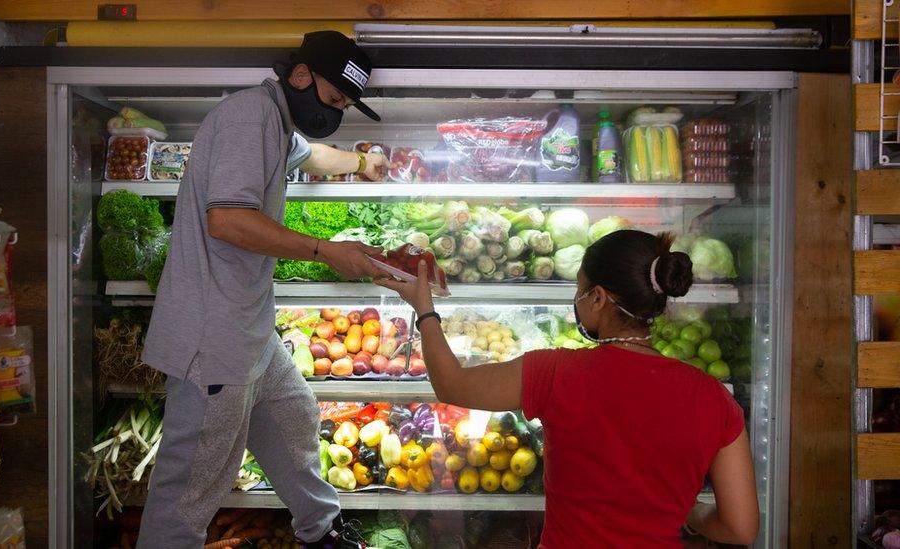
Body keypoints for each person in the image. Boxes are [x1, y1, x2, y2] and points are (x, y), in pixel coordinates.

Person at [138, 31, 388, 549]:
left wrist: (362, 163)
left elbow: (313, 155)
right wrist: (326, 250)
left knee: (294, 415)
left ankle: (320, 532)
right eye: (333, 98)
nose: (334, 112)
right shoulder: (248, 117)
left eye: (343, 105)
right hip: (215, 336)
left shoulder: (275, 121)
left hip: (249, 328)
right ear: (300, 76)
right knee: (192, 484)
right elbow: (227, 220)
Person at [376, 230, 760, 548]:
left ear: (598, 298)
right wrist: (689, 512)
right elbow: (741, 528)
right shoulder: (713, 397)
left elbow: (451, 383)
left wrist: (424, 308)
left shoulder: (557, 372)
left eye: (579, 290)